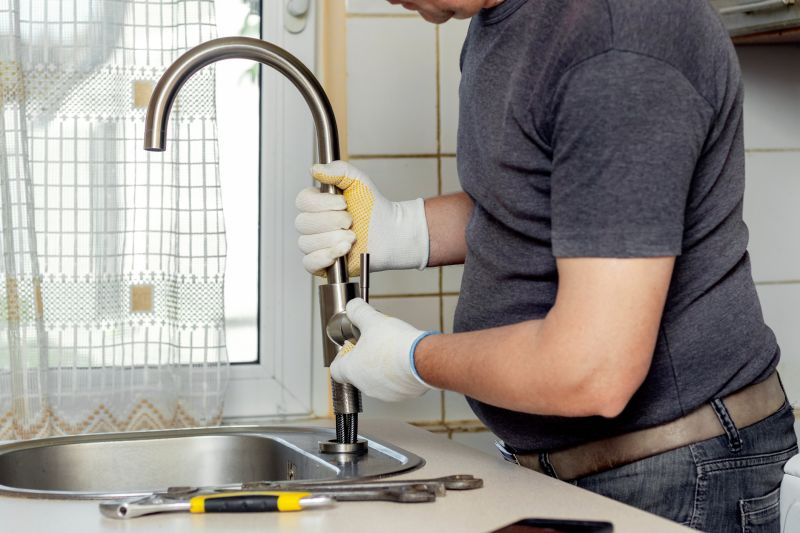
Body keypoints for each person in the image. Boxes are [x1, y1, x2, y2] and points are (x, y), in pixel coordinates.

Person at [294, 1, 798, 530]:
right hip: (567, 468)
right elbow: (552, 198)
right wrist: (401, 229)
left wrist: (414, 358)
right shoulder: (507, 20)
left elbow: (593, 369)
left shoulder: (620, 41)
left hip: (675, 472)